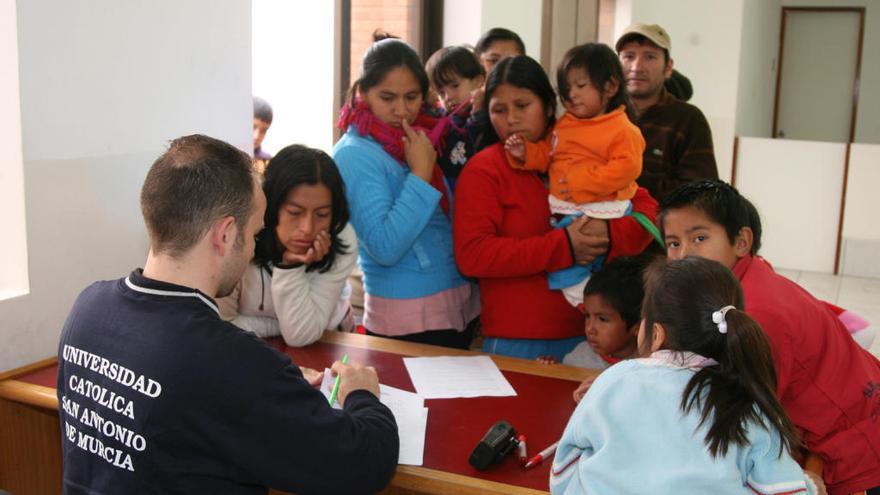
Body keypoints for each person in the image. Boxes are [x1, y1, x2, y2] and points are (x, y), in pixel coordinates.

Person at [56, 135, 398, 494]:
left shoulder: (87, 307)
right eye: (253, 234)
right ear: (225, 234)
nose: (253, 248)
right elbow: (365, 462)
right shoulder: (233, 364)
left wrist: (264, 384)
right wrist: (362, 396)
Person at [659, 179, 880, 495]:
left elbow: (740, 415)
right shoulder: (744, 279)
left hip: (852, 451)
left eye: (699, 237)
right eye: (673, 243)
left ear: (741, 242)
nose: (684, 255)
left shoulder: (758, 312)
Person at [552, 256, 822, 495]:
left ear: (656, 335)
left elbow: (563, 473)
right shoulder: (748, 403)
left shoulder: (612, 380)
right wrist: (810, 486)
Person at [453, 55, 658, 361]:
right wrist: (563, 247)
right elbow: (473, 256)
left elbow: (646, 210)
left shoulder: (581, 148)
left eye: (522, 106)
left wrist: (609, 232)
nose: (511, 118)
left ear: (549, 106)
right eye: (498, 110)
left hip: (597, 337)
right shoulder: (484, 170)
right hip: (517, 339)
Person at [333, 38, 479, 349]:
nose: (402, 110)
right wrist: (421, 176)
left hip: (459, 305)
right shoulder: (352, 154)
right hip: (406, 319)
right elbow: (384, 246)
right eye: (387, 98)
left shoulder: (423, 135)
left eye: (411, 97)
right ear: (363, 93)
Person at [504, 42, 644, 306]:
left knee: (567, 266)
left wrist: (582, 182)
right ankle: (595, 300)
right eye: (566, 88)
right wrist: (527, 154)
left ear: (611, 87)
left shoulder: (622, 128)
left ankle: (589, 299)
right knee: (577, 260)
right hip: (572, 208)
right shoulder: (566, 124)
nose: (572, 95)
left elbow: (627, 168)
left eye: (581, 86)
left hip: (602, 208)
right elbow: (549, 154)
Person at [219, 144, 358, 346]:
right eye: (294, 212)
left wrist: (289, 266)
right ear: (271, 205)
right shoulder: (241, 234)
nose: (308, 228)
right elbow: (223, 325)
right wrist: (281, 326)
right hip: (248, 350)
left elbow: (301, 336)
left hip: (328, 345)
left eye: (322, 214)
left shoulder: (342, 239)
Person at [616, 22, 717, 201]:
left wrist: (627, 181)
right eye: (629, 56)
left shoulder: (688, 119)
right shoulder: (601, 116)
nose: (636, 67)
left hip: (658, 227)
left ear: (668, 68)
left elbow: (701, 191)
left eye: (650, 57)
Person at [537, 256, 643, 371]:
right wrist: (555, 370)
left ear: (637, 326)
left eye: (602, 319)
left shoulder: (651, 367)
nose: (589, 329)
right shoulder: (580, 358)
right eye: (587, 316)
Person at [424, 45, 488, 190]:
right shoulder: (442, 121)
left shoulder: (488, 116)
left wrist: (478, 115)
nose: (449, 97)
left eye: (455, 86)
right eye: (441, 92)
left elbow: (477, 144)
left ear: (478, 81)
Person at [253, 96, 273, 174]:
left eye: (264, 130)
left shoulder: (267, 162)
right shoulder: (222, 156)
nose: (256, 136)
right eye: (252, 127)